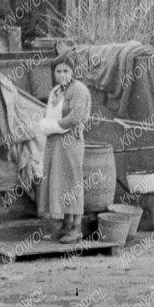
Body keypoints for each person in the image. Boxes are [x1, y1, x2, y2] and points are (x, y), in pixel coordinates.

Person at [39, 56, 91, 240]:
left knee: (72, 183)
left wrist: (51, 126)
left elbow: (75, 117)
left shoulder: (79, 90)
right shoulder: (55, 91)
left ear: (73, 72)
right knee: (59, 183)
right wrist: (44, 123)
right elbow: (50, 113)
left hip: (70, 142)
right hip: (54, 143)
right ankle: (64, 226)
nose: (62, 75)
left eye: (66, 71)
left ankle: (76, 229)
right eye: (58, 71)